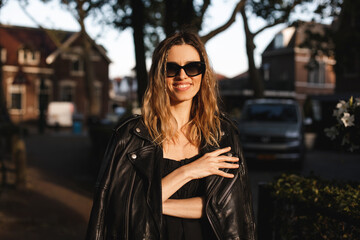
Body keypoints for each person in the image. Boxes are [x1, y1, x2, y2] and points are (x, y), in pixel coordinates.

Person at [85, 31, 256, 240]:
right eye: (171, 68)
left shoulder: (223, 134)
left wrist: (154, 204)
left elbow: (224, 207)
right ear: (159, 75)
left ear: (203, 74)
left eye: (192, 67)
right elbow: (119, 210)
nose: (182, 76)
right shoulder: (131, 136)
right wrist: (190, 171)